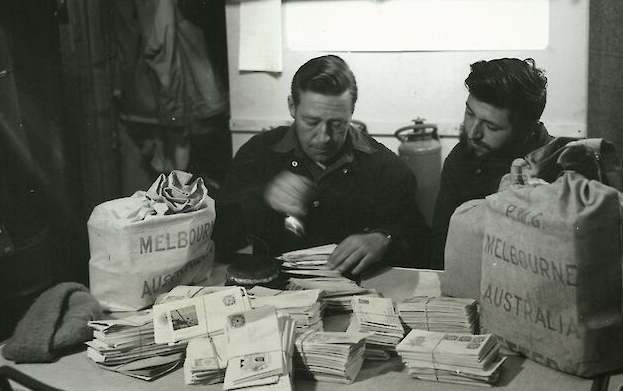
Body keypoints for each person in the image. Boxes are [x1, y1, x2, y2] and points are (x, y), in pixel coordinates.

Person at [214, 55, 430, 274]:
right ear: (292, 106)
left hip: (356, 293)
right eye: (312, 122)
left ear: (351, 111)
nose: (323, 138)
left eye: (336, 124)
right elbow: (220, 240)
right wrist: (262, 197)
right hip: (276, 294)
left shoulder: (387, 168)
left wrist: (384, 238)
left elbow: (420, 246)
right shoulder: (258, 153)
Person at [430, 58, 554, 269]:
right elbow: (440, 246)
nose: (473, 132)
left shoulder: (556, 170)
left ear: (525, 130)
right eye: (470, 114)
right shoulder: (461, 157)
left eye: (491, 126)